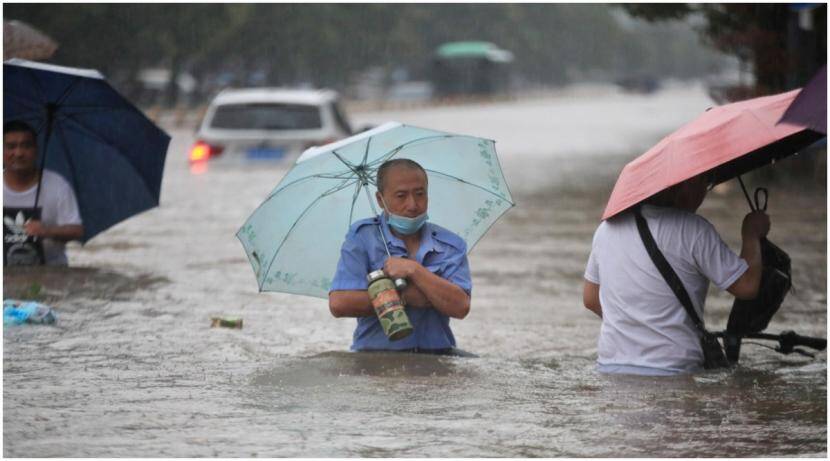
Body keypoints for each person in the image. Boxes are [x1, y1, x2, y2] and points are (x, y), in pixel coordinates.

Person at [583, 173, 770, 375]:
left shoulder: (606, 229)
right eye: (703, 184)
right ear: (683, 186)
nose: (703, 193)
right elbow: (747, 286)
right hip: (673, 370)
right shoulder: (694, 230)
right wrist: (751, 234)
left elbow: (591, 298)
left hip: (611, 368)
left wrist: (637, 324)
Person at [329, 158, 472, 353]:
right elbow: (339, 303)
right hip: (375, 358)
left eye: (420, 194)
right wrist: (405, 296)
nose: (412, 205)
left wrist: (414, 270)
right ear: (380, 199)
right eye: (401, 196)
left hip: (437, 357)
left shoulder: (450, 245)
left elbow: (461, 306)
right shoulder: (362, 237)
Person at [3, 120, 84, 266]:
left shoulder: (58, 185)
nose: (19, 153)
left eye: (26, 146)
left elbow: (76, 230)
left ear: (36, 150)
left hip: (51, 272)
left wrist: (47, 231)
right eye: (11, 146)